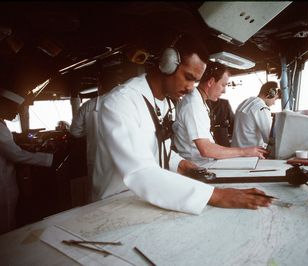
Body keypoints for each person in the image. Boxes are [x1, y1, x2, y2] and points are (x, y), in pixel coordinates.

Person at [93, 33, 272, 215]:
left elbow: (157, 149)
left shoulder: (164, 102)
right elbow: (139, 171)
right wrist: (217, 195)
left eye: (195, 81)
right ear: (167, 65)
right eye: (188, 77)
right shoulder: (121, 102)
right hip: (115, 204)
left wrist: (183, 164)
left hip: (150, 196)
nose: (190, 88)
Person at [172, 61, 268, 166]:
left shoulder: (199, 102)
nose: (224, 91)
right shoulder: (192, 104)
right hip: (200, 166)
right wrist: (245, 151)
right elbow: (206, 150)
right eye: (223, 85)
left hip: (207, 162)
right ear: (211, 82)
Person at [0, 89, 53, 234]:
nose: (16, 113)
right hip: (3, 187)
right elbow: (16, 155)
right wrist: (48, 158)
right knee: (6, 224)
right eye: (14, 108)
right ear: (3, 105)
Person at [69, 69, 123, 202]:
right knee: (122, 197)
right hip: (121, 160)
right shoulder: (125, 104)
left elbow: (75, 132)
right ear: (118, 85)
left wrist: (91, 131)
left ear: (99, 85)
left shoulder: (88, 106)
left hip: (96, 159)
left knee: (97, 198)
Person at [232, 81, 281, 148]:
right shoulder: (261, 107)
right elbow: (270, 138)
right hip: (250, 154)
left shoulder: (245, 103)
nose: (274, 103)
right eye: (275, 99)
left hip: (236, 151)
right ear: (270, 94)